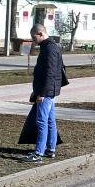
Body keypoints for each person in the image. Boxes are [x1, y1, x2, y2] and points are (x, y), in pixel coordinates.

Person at [20, 24, 64, 163]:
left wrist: (41, 93)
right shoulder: (50, 46)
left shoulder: (49, 49)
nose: (33, 41)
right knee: (50, 120)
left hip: (46, 92)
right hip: (49, 90)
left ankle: (38, 154)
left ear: (40, 33)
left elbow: (50, 73)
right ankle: (50, 149)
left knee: (41, 121)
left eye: (34, 37)